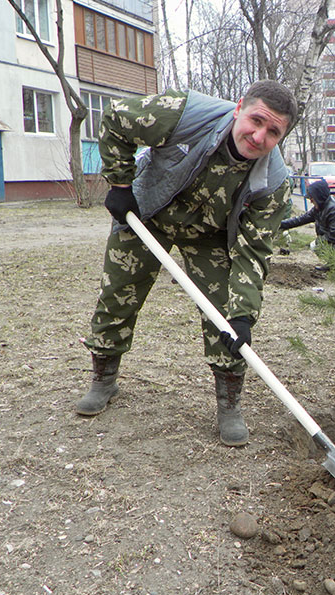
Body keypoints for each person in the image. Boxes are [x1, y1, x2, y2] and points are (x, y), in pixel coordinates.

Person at [76, 80, 298, 448]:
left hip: (210, 234)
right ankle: (104, 378)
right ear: (239, 107)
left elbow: (253, 251)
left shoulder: (273, 183)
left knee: (225, 314)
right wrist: (119, 185)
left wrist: (242, 315)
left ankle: (229, 403)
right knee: (118, 292)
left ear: (282, 136)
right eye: (256, 120)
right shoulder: (184, 112)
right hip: (148, 212)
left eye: (273, 131)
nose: (259, 136)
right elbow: (116, 118)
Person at [279, 179, 335, 268]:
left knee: (319, 246)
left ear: (319, 197)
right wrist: (280, 224)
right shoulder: (321, 206)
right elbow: (302, 219)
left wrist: (316, 242)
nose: (311, 201)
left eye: (312, 199)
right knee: (319, 244)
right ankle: (334, 265)